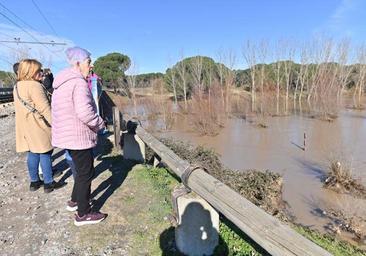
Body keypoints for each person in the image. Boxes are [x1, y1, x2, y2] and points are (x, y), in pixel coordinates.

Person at [51, 46, 106, 226]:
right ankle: (83, 214)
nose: (91, 66)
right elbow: (85, 113)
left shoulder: (62, 83)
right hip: (78, 136)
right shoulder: (78, 83)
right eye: (89, 62)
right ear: (77, 63)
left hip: (68, 136)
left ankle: (75, 201)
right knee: (86, 173)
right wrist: (100, 124)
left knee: (81, 171)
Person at [13, 59, 64, 193]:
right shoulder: (35, 86)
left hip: (26, 126)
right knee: (45, 153)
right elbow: (45, 109)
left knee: (32, 153)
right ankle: (49, 183)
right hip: (39, 125)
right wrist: (57, 125)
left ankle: (34, 182)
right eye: (38, 70)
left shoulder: (17, 86)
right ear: (30, 71)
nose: (40, 73)